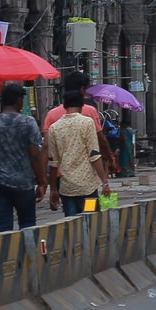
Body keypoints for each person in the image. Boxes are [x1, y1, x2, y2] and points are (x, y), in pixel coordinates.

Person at [0, 82, 47, 232]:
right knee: (27, 225)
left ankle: (6, 255)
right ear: (18, 101)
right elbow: (35, 155)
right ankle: (28, 254)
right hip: (23, 183)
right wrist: (41, 182)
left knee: (3, 227)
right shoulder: (28, 123)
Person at [47, 88, 113, 217]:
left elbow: (53, 163)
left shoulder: (54, 128)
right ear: (82, 106)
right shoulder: (87, 123)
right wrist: (105, 182)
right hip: (88, 189)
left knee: (72, 228)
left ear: (64, 106)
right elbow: (94, 155)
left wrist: (53, 189)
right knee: (91, 222)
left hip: (66, 190)